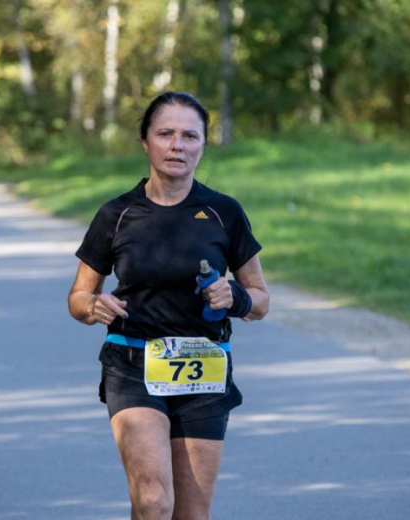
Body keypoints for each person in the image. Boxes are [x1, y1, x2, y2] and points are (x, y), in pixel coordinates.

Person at [68, 91, 269, 520]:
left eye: (189, 136)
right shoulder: (117, 214)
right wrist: (93, 306)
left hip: (205, 367)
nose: (177, 145)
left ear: (202, 146)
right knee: (154, 501)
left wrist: (236, 296)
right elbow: (78, 297)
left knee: (192, 514)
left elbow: (261, 301)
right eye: (165, 133)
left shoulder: (224, 213)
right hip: (133, 364)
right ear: (146, 142)